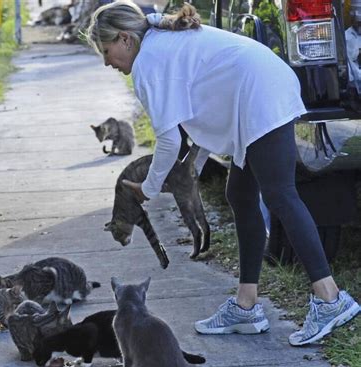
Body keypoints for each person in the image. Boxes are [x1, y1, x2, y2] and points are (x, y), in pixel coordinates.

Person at [85, 0, 360, 346]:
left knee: (280, 194)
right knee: (241, 196)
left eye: (107, 51)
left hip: (261, 94)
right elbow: (190, 114)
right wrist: (191, 170)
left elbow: (170, 140)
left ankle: (330, 298)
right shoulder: (156, 43)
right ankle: (246, 306)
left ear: (125, 39)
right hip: (258, 90)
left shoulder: (148, 60)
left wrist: (148, 188)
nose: (108, 62)